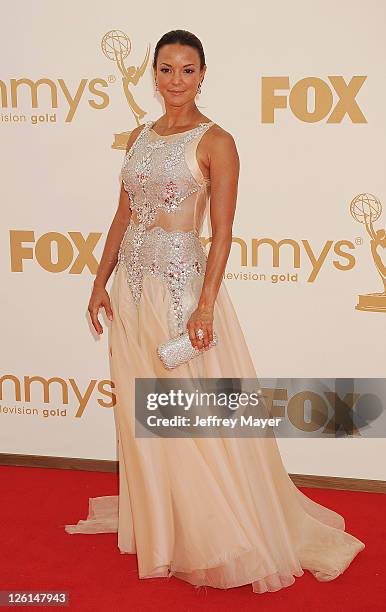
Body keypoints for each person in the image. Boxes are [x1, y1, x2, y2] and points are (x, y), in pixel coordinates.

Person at [64, 29, 365, 594]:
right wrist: (99, 282)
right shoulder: (139, 137)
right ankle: (166, 526)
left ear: (202, 76)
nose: (174, 81)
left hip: (181, 293)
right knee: (144, 415)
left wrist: (204, 305)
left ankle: (214, 529)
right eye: (165, 69)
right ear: (151, 74)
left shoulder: (217, 141)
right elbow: (121, 216)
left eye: (186, 70)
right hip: (132, 292)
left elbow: (222, 235)